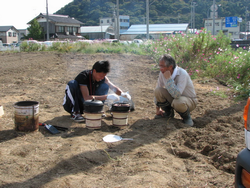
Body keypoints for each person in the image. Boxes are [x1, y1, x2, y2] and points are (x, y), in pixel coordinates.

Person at [63, 60, 130, 122]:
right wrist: (107, 97)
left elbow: (113, 87)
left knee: (105, 85)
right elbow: (86, 98)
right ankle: (75, 112)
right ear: (94, 71)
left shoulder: (103, 78)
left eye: (104, 76)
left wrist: (123, 94)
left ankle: (97, 110)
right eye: (101, 75)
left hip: (89, 106)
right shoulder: (83, 76)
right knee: (72, 83)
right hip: (75, 104)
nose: (102, 78)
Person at [154, 54, 198, 126]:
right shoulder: (162, 73)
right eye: (159, 66)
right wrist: (157, 109)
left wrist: (168, 79)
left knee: (178, 101)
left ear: (170, 67)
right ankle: (168, 114)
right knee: (158, 91)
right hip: (175, 99)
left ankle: (187, 118)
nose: (160, 68)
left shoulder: (182, 73)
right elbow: (158, 88)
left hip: (189, 101)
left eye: (162, 66)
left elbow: (177, 95)